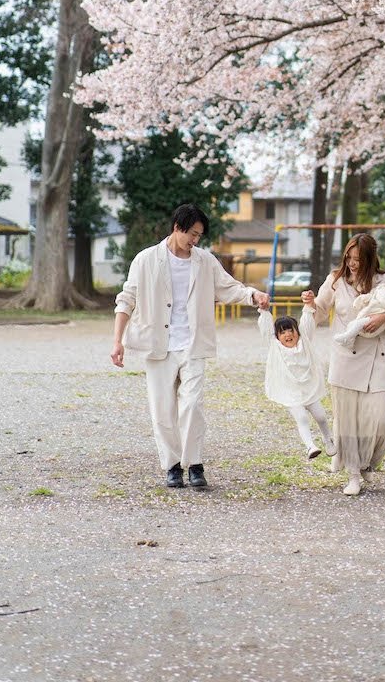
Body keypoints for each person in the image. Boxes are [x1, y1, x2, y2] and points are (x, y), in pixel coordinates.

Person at [110, 202, 269, 489]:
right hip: (157, 344)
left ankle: (194, 463)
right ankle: (172, 465)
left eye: (199, 236)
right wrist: (117, 341)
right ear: (177, 227)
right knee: (162, 410)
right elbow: (126, 300)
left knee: (193, 405)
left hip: (193, 344)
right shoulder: (145, 260)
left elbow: (228, 287)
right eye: (192, 234)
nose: (195, 241)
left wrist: (252, 295)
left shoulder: (204, 261)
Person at [302, 231, 385, 496]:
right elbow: (319, 312)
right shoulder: (335, 280)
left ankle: (367, 463)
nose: (353, 263)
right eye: (349, 258)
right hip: (345, 358)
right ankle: (353, 473)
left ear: (370, 258)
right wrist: (309, 304)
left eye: (359, 259)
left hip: (378, 358)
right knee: (347, 421)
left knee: (378, 421)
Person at [257, 309, 335, 459]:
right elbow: (266, 329)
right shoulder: (275, 347)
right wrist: (264, 311)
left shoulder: (304, 343)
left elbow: (307, 324)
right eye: (282, 332)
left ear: (297, 332)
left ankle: (328, 439)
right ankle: (310, 446)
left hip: (308, 389)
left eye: (290, 330)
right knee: (302, 418)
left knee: (321, 416)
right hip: (290, 392)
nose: (288, 335)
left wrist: (307, 308)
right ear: (277, 337)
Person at [333, 276, 385, 347]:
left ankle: (346, 337)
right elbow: (372, 296)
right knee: (352, 324)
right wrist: (362, 299)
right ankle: (349, 341)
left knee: (357, 324)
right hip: (367, 314)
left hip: (373, 321)